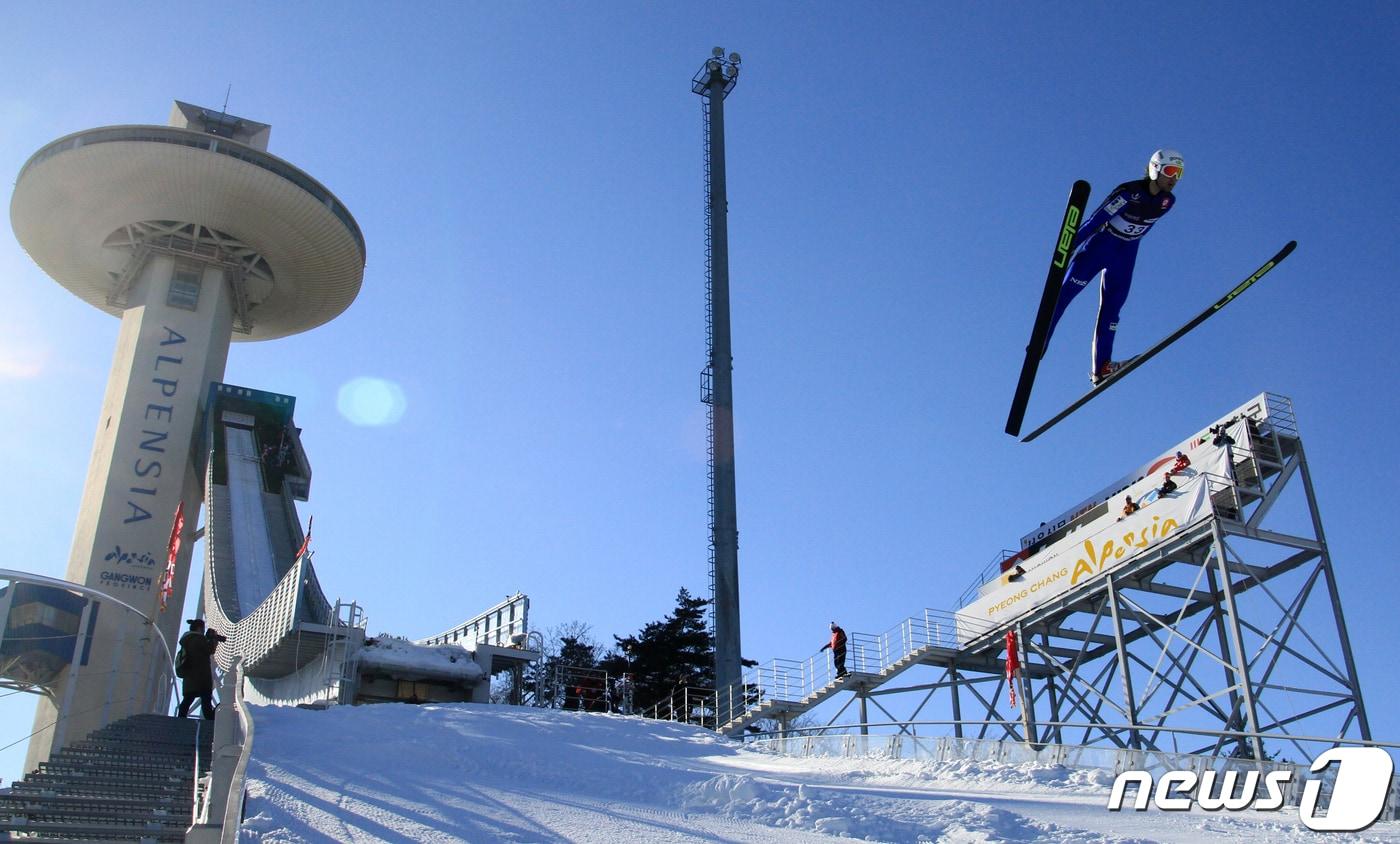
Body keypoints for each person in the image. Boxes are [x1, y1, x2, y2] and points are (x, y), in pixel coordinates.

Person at [1044, 149, 1184, 384]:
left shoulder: (1167, 202)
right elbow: (1094, 221)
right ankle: (1041, 342)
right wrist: (1066, 250)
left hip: (1126, 254)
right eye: (1170, 171)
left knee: (1112, 310)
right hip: (1101, 246)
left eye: (1178, 174)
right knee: (1065, 294)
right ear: (1155, 169)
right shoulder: (1128, 193)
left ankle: (1102, 367)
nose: (1174, 178)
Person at [176, 619, 220, 719]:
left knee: (187, 700)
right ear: (199, 628)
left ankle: (180, 720)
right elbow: (210, 649)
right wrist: (213, 640)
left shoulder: (187, 640)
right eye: (203, 629)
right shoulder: (198, 639)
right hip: (201, 677)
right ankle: (212, 721)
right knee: (206, 702)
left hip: (190, 678)